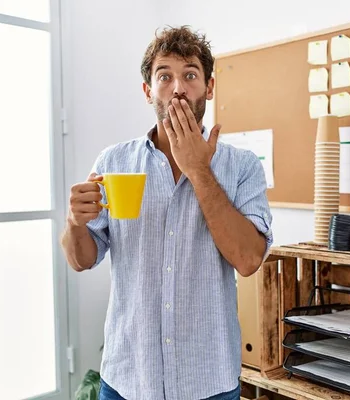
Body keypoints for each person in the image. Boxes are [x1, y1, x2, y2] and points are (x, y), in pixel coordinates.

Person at [61, 25, 273, 400]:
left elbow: (248, 259)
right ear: (148, 91)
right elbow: (82, 259)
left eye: (190, 74)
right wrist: (75, 224)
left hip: (208, 382)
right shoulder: (114, 161)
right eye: (165, 76)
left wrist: (199, 171)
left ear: (209, 86)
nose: (178, 87)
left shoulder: (243, 167)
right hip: (127, 378)